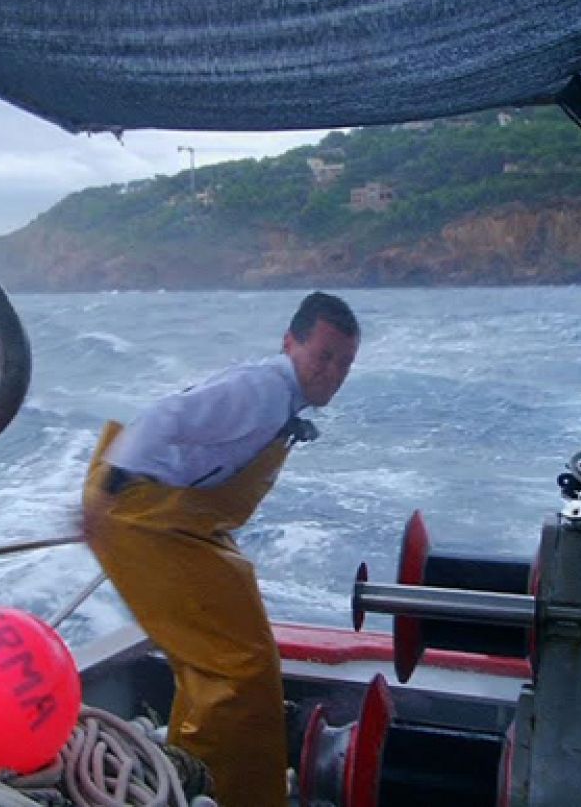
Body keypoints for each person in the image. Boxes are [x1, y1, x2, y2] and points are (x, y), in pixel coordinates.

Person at [81, 291, 360, 807]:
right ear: (289, 344)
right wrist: (104, 494)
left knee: (218, 651)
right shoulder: (262, 390)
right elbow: (164, 418)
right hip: (139, 516)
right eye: (324, 356)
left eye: (344, 363)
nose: (334, 373)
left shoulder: (283, 400)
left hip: (181, 521)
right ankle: (221, 791)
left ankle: (188, 769)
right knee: (239, 665)